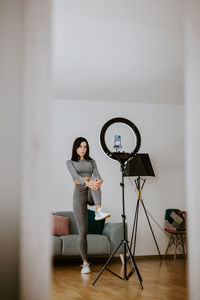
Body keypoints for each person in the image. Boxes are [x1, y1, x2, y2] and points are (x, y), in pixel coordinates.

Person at [66, 137, 111, 274]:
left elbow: (98, 175)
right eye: (80, 146)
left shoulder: (92, 162)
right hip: (79, 195)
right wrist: (88, 183)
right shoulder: (70, 162)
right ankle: (85, 263)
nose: (83, 149)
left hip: (91, 193)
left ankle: (98, 210)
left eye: (85, 146)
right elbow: (76, 177)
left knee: (95, 182)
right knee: (82, 232)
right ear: (75, 148)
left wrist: (98, 181)